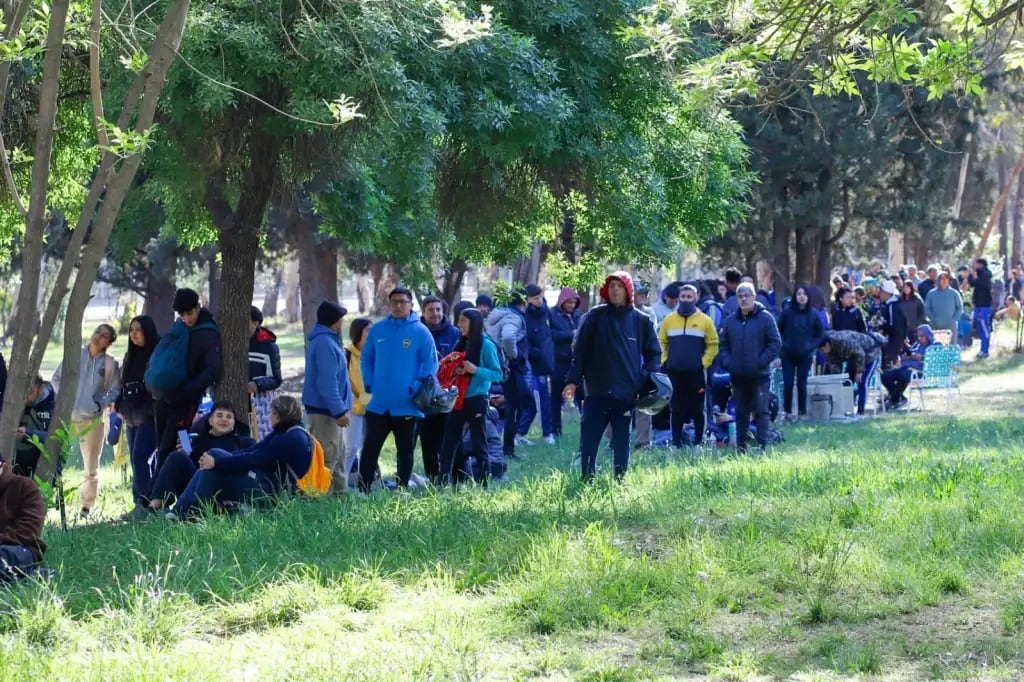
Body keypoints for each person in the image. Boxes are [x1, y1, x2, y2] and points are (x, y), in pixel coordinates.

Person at [563, 272, 661, 481]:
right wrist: (572, 381)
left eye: (619, 285)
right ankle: (587, 479)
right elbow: (580, 352)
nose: (615, 289)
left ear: (628, 290)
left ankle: (620, 481)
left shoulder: (641, 321)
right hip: (596, 391)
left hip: (626, 393)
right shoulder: (594, 317)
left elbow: (654, 353)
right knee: (589, 438)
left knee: (622, 441)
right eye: (612, 285)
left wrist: (649, 378)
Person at [169, 396, 311, 519]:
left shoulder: (291, 438)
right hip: (262, 481)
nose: (269, 417)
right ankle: (181, 512)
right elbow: (253, 450)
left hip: (269, 491)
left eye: (271, 413)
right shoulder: (284, 432)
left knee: (213, 463)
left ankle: (190, 513)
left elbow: (254, 458)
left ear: (277, 415)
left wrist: (217, 463)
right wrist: (218, 460)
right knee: (214, 454)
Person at [360, 287, 438, 491]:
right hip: (379, 404)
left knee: (405, 450)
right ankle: (363, 489)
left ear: (411, 305)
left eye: (403, 301)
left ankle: (402, 487)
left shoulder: (420, 332)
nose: (398, 306)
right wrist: (368, 380)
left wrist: (416, 386)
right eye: (394, 302)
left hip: (407, 405)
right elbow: (366, 358)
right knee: (370, 448)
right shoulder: (378, 329)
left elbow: (431, 364)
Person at [52, 323, 120, 517]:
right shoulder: (74, 355)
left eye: (105, 335)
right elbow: (56, 379)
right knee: (55, 456)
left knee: (91, 465)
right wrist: (66, 398)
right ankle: (52, 497)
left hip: (92, 420)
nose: (99, 336)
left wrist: (100, 405)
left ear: (109, 342)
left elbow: (115, 390)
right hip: (66, 417)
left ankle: (86, 506)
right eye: (98, 331)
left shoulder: (109, 364)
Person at [153, 288, 222, 469]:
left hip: (186, 403)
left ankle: (159, 494)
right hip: (165, 396)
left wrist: (186, 390)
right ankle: (164, 489)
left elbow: (212, 370)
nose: (187, 318)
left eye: (190, 313)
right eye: (182, 314)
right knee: (162, 446)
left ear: (198, 307)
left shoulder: (208, 333)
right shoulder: (180, 328)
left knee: (181, 444)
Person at [147, 402, 256, 511]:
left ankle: (182, 512)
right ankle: (154, 507)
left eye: (229, 417)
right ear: (210, 421)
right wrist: (185, 452)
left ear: (234, 424)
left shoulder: (244, 443)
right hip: (195, 487)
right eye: (219, 415)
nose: (224, 419)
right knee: (176, 457)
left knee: (212, 460)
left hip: (225, 489)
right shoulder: (198, 441)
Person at [438, 309, 504, 485]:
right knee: (449, 442)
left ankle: (484, 484)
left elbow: (498, 374)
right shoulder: (461, 343)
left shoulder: (486, 345)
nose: (459, 325)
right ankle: (442, 483)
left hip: (477, 399)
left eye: (463, 321)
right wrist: (456, 370)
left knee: (479, 444)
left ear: (474, 323)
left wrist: (475, 370)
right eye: (459, 321)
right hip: (458, 399)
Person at [718, 282, 781, 452]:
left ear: (754, 297)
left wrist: (761, 361)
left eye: (747, 295)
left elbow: (775, 343)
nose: (744, 299)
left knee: (761, 410)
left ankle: (762, 446)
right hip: (738, 375)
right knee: (741, 412)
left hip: (760, 375)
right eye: (740, 296)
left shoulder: (766, 318)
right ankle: (741, 448)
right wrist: (728, 362)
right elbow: (722, 345)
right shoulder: (730, 321)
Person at [658, 284, 719, 447]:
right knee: (676, 410)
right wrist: (665, 360)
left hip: (696, 374)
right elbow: (661, 341)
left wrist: (703, 363)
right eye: (683, 297)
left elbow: (713, 344)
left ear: (696, 298)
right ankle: (676, 444)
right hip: (674, 373)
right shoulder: (669, 320)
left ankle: (699, 443)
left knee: (698, 410)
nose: (685, 300)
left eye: (689, 297)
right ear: (679, 298)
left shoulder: (705, 321)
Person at [301, 301, 352, 494]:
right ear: (334, 322)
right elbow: (327, 383)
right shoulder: (324, 344)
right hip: (325, 413)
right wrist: (339, 410)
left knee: (338, 457)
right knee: (327, 458)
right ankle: (320, 500)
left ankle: (341, 499)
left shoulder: (328, 341)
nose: (342, 324)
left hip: (330, 412)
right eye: (340, 320)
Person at [115, 315, 160, 519]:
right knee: (136, 460)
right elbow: (125, 384)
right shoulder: (130, 355)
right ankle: (140, 503)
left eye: (139, 329)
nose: (134, 333)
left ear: (148, 331)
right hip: (131, 415)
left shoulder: (157, 353)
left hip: (150, 415)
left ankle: (147, 504)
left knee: (141, 457)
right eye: (131, 329)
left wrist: (151, 408)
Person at [419, 296, 461, 482]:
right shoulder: (417, 332)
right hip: (423, 395)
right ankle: (432, 477)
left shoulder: (454, 333)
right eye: (430, 310)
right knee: (427, 439)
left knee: (448, 438)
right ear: (423, 312)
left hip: (447, 395)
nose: (435, 314)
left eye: (438, 310)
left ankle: (449, 475)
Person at [484, 288, 530, 459]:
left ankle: (500, 445)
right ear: (523, 301)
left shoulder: (496, 314)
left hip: (497, 363)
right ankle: (508, 449)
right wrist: (513, 355)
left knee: (510, 406)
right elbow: (509, 338)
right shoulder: (514, 316)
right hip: (511, 367)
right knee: (515, 407)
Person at [777, 285, 825, 421]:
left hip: (805, 355)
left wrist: (810, 345)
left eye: (804, 294)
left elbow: (820, 334)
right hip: (787, 355)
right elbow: (777, 329)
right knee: (788, 384)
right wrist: (783, 345)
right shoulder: (787, 312)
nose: (801, 296)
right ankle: (787, 413)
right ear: (795, 296)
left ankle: (802, 412)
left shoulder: (814, 314)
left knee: (802, 385)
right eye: (799, 294)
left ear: (808, 297)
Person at [0, 455, 48, 582]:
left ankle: (33, 574)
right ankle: (26, 577)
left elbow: (28, 531)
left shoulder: (24, 486)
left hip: (21, 548)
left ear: (3, 467)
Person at [519, 284, 556, 444]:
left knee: (545, 400)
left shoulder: (546, 313)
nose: (540, 301)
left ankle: (547, 433)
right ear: (527, 300)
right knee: (533, 403)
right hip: (531, 366)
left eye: (541, 296)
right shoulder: (524, 317)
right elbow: (525, 343)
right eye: (535, 298)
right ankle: (519, 433)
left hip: (546, 365)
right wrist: (538, 354)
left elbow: (550, 334)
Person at [818, 330, 881, 415]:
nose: (823, 352)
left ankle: (860, 412)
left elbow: (860, 354)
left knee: (862, 381)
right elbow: (835, 367)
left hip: (870, 352)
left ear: (827, 344)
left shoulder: (842, 341)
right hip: (853, 357)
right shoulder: (828, 349)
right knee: (846, 383)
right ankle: (844, 410)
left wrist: (859, 372)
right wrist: (837, 380)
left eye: (822, 349)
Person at [549, 287, 582, 440]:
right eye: (569, 302)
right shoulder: (552, 315)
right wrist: (571, 334)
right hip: (559, 361)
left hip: (576, 362)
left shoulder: (579, 316)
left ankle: (586, 426)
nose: (572, 305)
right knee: (556, 398)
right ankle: (555, 430)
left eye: (574, 302)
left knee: (582, 396)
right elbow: (551, 335)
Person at [343, 318, 372, 488]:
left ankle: (365, 484)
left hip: (373, 407)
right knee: (350, 448)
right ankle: (341, 483)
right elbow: (344, 384)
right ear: (358, 332)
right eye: (368, 330)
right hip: (352, 407)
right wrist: (361, 400)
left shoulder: (374, 354)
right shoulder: (346, 354)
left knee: (368, 448)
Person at [881, 325, 937, 409]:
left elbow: (937, 358)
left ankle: (894, 400)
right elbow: (910, 353)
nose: (919, 338)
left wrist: (922, 357)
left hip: (920, 371)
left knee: (903, 376)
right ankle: (899, 398)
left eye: (922, 336)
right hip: (906, 368)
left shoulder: (935, 345)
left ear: (928, 335)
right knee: (885, 375)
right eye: (918, 336)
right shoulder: (917, 345)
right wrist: (906, 357)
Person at [248, 306, 282, 441]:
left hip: (260, 408)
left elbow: (276, 379)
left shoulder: (269, 347)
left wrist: (257, 384)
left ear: (255, 323)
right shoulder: (231, 344)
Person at [12, 375, 54, 479]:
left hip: (41, 464)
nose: (24, 397)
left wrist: (28, 434)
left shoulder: (52, 405)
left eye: (29, 392)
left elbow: (55, 438)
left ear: (39, 389)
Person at [924, 272, 964, 345]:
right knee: (938, 346)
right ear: (938, 280)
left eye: (946, 279)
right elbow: (927, 308)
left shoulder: (954, 293)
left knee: (951, 346)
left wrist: (954, 319)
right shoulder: (931, 293)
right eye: (942, 279)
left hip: (950, 325)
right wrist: (933, 319)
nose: (944, 281)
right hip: (936, 325)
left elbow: (960, 308)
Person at [878, 279, 908, 368]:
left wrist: (883, 329)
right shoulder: (890, 304)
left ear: (886, 293)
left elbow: (893, 325)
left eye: (881, 291)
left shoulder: (892, 305)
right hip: (894, 340)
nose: (879, 293)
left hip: (894, 341)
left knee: (889, 365)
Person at [968, 258, 994, 358]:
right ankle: (982, 350)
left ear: (981, 265)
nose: (974, 266)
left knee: (984, 329)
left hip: (984, 306)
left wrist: (971, 274)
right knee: (980, 329)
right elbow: (972, 283)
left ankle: (985, 350)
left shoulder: (985, 275)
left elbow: (974, 283)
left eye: (975, 264)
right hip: (979, 305)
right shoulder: (981, 275)